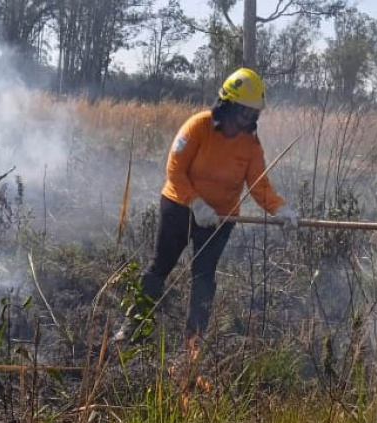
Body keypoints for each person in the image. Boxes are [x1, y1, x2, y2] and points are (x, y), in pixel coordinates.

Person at [114, 68, 298, 350]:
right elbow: (174, 169)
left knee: (203, 279)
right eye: (242, 111)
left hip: (220, 220)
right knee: (160, 267)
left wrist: (280, 209)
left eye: (252, 113)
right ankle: (132, 328)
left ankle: (193, 347)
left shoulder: (251, 145)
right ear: (227, 104)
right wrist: (196, 203)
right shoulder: (197, 126)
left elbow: (260, 185)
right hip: (178, 208)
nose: (247, 119)